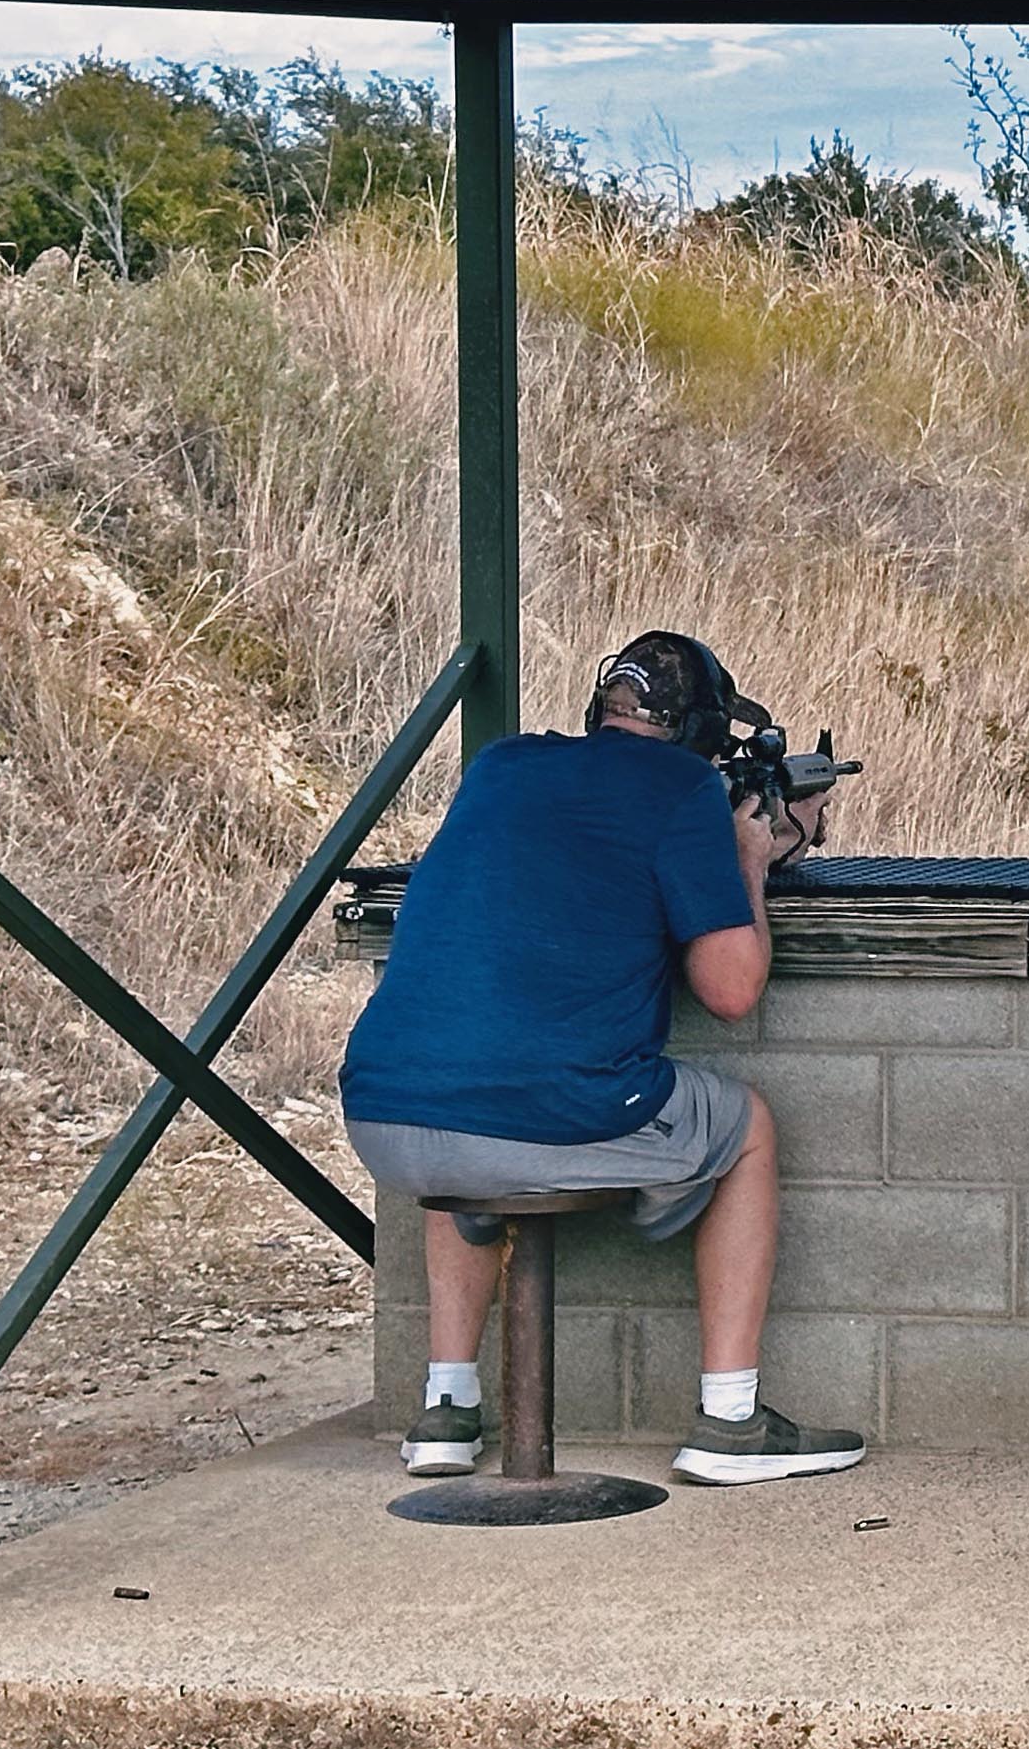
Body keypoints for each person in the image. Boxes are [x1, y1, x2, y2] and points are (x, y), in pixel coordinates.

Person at [340, 631, 862, 1485]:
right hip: (527, 1121)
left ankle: (445, 1408)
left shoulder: (503, 766)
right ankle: (731, 1421)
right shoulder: (685, 790)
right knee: (749, 1128)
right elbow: (731, 991)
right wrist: (752, 860)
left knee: (468, 1081)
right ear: (698, 731)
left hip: (385, 1114)